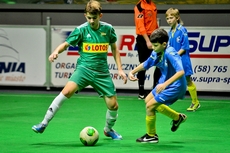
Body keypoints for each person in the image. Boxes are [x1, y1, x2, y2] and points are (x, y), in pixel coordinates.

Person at [32, 0, 127, 140]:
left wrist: (120, 69)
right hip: (84, 69)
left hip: (102, 73)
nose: (91, 20)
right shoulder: (81, 30)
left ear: (101, 15)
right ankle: (43, 123)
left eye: (94, 17)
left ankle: (108, 129)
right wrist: (55, 52)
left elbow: (114, 49)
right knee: (66, 91)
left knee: (113, 106)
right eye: (89, 17)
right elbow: (65, 44)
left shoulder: (108, 29)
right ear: (85, 15)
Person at [128, 28, 187, 143]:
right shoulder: (157, 52)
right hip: (164, 83)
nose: (152, 48)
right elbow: (147, 64)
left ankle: (152, 135)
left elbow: (181, 72)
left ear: (164, 44)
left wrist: (165, 84)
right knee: (148, 101)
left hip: (175, 86)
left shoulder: (171, 53)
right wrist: (132, 72)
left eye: (155, 45)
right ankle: (177, 117)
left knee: (150, 106)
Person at [165, 8, 200, 111]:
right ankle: (166, 101)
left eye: (171, 18)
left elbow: (184, 47)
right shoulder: (170, 32)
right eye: (167, 18)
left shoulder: (182, 30)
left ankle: (195, 102)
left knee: (188, 81)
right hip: (175, 61)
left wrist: (175, 55)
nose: (169, 20)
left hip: (183, 60)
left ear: (177, 18)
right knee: (172, 81)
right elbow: (169, 47)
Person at [134, 0, 161, 100]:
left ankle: (155, 89)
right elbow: (140, 25)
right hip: (143, 39)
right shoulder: (139, 6)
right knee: (143, 64)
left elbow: (154, 22)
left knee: (159, 63)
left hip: (154, 37)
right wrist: (147, 41)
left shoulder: (153, 4)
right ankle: (141, 92)